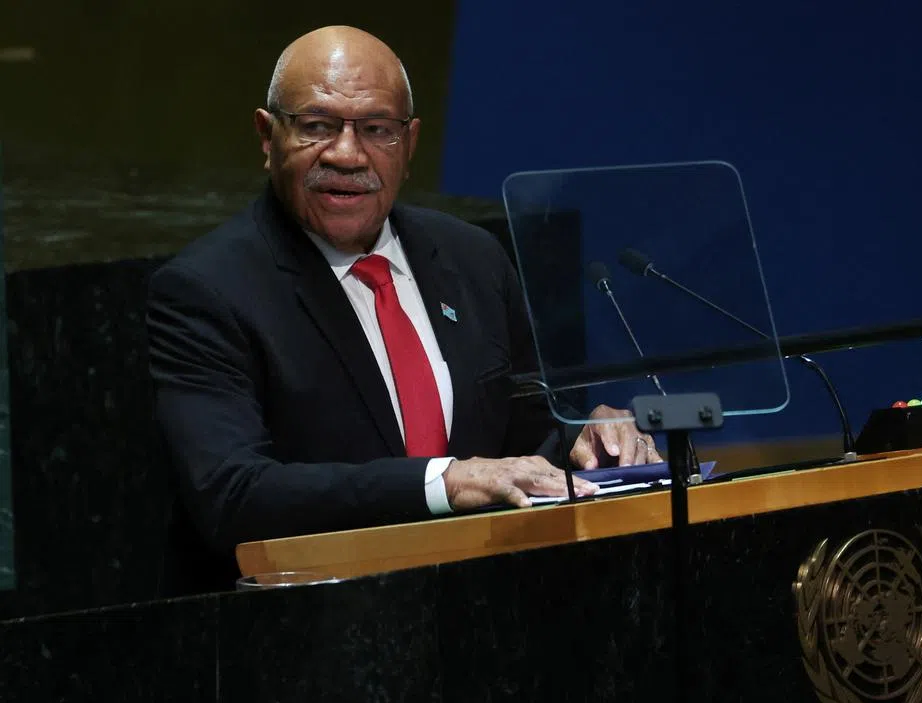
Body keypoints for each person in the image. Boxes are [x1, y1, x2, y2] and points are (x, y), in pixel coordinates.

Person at [147, 25, 662, 593]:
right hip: (318, 627)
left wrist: (584, 442)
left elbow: (529, 438)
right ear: (267, 137)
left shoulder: (473, 259)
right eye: (318, 126)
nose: (347, 154)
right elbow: (232, 495)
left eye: (376, 130)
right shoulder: (207, 289)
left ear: (409, 144)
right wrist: (445, 482)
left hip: (492, 604)